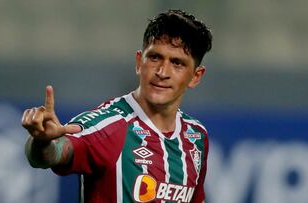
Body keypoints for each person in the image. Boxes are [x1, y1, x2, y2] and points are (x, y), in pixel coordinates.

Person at [22, 9, 212, 203]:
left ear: (196, 76)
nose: (162, 72)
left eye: (177, 63)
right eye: (155, 57)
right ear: (139, 62)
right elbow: (53, 154)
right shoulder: (110, 125)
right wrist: (41, 142)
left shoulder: (196, 136)